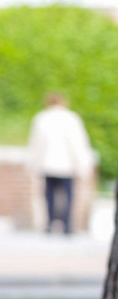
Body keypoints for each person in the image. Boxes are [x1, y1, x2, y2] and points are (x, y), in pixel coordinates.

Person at [28, 92, 93, 234]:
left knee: (49, 196)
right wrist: (82, 165)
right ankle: (67, 225)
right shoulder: (71, 118)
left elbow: (36, 144)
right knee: (68, 196)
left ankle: (50, 224)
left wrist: (34, 165)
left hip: (47, 165)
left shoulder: (41, 118)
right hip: (66, 165)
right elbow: (77, 144)